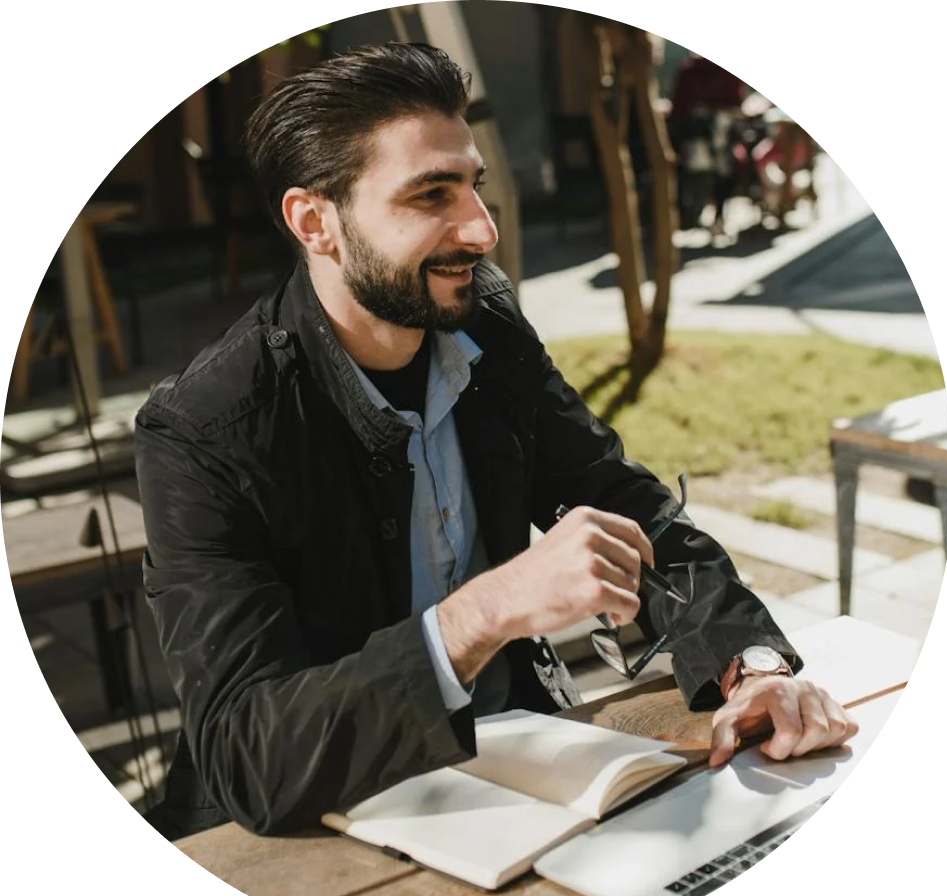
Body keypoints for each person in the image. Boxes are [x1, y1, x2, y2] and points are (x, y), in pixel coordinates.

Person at [134, 42, 858, 842]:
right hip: (306, 836)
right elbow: (249, 756)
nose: (480, 230)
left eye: (472, 186)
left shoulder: (482, 319)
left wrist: (748, 662)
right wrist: (485, 612)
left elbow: (623, 505)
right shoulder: (202, 431)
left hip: (516, 779)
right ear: (316, 222)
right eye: (430, 194)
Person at [668, 51, 747, 236]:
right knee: (725, 167)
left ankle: (711, 215)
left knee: (725, 164)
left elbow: (677, 106)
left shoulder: (689, 69)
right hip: (700, 141)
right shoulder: (689, 70)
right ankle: (711, 215)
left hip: (708, 140)